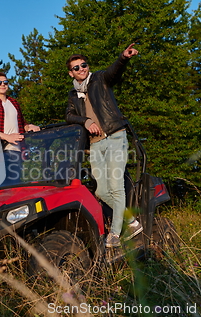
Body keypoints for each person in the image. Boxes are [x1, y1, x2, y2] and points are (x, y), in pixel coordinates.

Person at [65, 43, 143, 248]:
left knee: (117, 188)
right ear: (70, 73)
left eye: (84, 65)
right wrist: (85, 121)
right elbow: (68, 116)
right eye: (76, 67)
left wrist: (123, 58)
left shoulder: (100, 79)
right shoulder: (74, 95)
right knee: (101, 191)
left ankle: (116, 234)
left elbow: (114, 72)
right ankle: (131, 221)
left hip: (115, 137)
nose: (82, 69)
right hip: (95, 145)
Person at [0, 72, 40, 185]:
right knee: (0, 187)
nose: (3, 84)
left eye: (5, 82)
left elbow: (22, 123)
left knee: (14, 185)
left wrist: (30, 126)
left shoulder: (14, 103)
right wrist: (7, 137)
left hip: (16, 150)